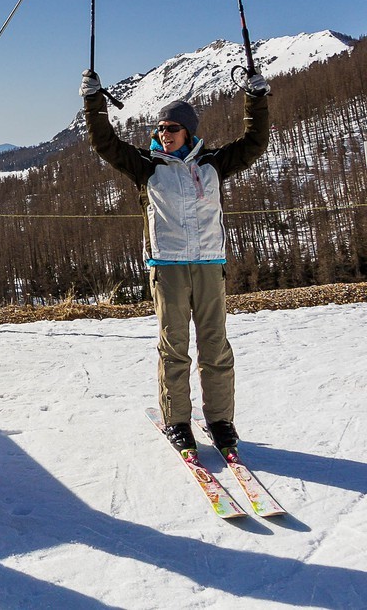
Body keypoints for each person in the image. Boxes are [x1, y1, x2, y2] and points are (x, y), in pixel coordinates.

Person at [81, 69, 270, 454]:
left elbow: (255, 142)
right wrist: (93, 103)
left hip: (209, 264)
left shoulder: (214, 164)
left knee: (215, 346)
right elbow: (104, 143)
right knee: (175, 347)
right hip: (167, 268)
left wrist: (256, 99)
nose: (164, 132)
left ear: (188, 132)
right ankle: (178, 421)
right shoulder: (147, 166)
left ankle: (220, 420)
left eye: (172, 127)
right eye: (160, 127)